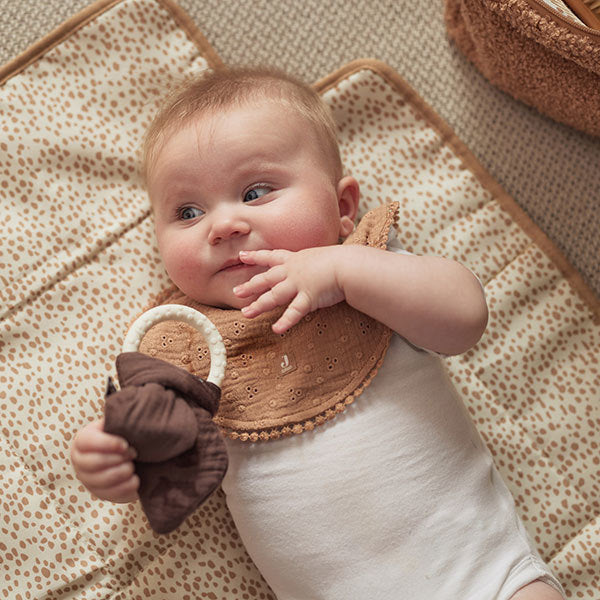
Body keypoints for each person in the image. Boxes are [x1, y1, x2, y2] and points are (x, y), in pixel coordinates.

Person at [70, 67, 564, 600]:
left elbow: (466, 317)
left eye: (256, 191)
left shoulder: (366, 266)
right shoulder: (183, 341)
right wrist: (113, 460)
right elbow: (162, 463)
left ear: (343, 208)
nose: (223, 225)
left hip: (484, 576)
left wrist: (343, 273)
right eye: (188, 212)